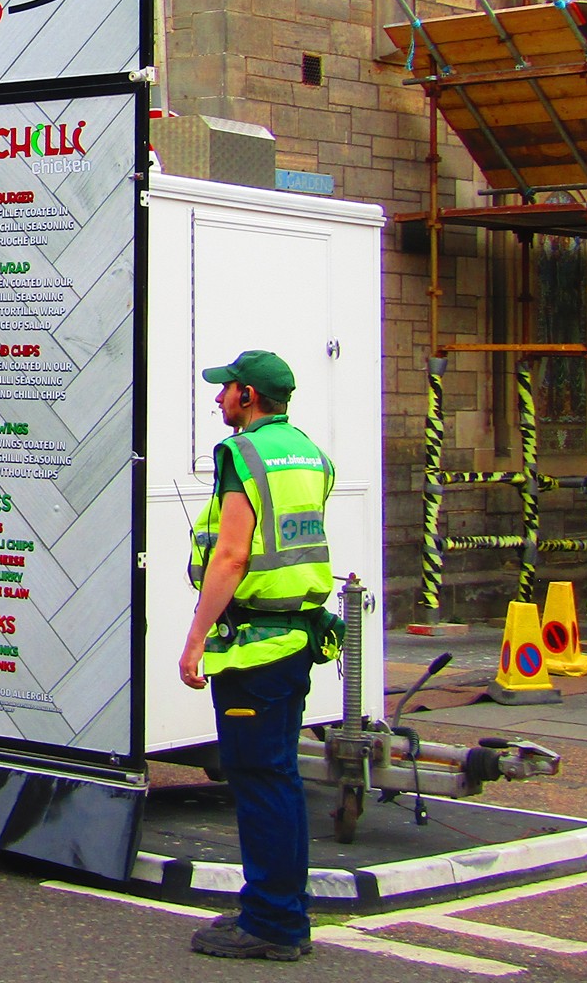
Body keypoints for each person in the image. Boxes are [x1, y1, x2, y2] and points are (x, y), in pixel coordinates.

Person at [181, 350, 338, 963]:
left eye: (226, 389)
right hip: (295, 637)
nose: (218, 397)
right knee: (279, 777)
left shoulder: (242, 455)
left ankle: (272, 922)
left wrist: (197, 637)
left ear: (248, 395)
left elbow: (233, 555)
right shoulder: (309, 453)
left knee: (259, 779)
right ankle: (281, 910)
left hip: (256, 644)